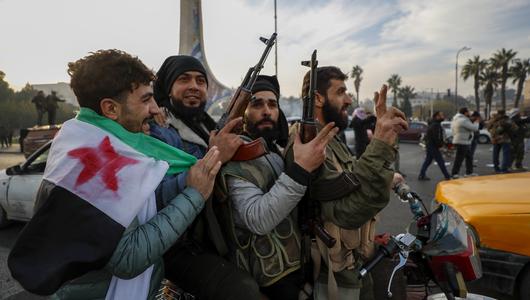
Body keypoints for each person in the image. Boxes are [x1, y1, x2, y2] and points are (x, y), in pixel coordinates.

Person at [8, 49, 222, 299]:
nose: (155, 109)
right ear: (111, 109)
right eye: (145, 100)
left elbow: (140, 202)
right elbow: (128, 258)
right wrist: (194, 195)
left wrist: (185, 182)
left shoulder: (88, 140)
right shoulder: (96, 163)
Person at [284, 66, 408, 300]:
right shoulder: (306, 143)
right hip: (332, 272)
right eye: (341, 92)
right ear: (318, 98)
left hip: (353, 260)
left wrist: (386, 140)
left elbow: (354, 181)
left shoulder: (331, 139)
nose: (349, 99)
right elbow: (346, 212)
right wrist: (379, 143)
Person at [215, 75, 338, 299]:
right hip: (268, 279)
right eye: (257, 104)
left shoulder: (273, 151)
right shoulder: (235, 158)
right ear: (242, 111)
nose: (266, 111)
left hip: (296, 265)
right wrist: (301, 169)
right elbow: (258, 219)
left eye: (272, 104)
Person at [150, 55, 262, 299]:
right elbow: (157, 197)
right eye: (184, 79)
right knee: (243, 291)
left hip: (214, 231)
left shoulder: (204, 125)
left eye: (201, 81)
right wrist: (215, 156)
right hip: (179, 244)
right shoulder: (158, 130)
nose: (194, 86)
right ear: (168, 86)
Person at [418, 111, 451, 180]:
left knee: (428, 161)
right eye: (441, 115)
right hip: (433, 146)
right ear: (437, 116)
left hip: (430, 145)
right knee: (440, 161)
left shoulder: (434, 124)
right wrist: (440, 145)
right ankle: (447, 176)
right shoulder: (436, 125)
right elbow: (436, 137)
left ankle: (421, 174)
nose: (443, 116)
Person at [450, 107, 479, 178]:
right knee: (459, 158)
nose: (470, 113)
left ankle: (469, 172)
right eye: (468, 112)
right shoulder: (462, 120)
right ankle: (454, 174)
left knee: (469, 157)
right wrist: (476, 122)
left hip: (464, 141)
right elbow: (474, 128)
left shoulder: (457, 119)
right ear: (465, 113)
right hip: (462, 142)